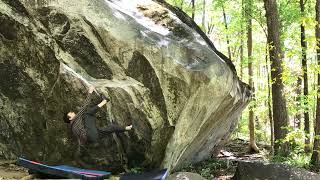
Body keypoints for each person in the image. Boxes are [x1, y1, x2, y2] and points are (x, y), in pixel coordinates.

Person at [63, 86, 132, 148]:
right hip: (91, 133)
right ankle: (105, 101)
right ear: (70, 118)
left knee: (111, 127)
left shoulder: (73, 129)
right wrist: (90, 92)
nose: (73, 112)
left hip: (93, 138)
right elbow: (84, 106)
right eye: (71, 113)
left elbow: (81, 139)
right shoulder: (76, 118)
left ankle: (128, 128)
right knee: (87, 113)